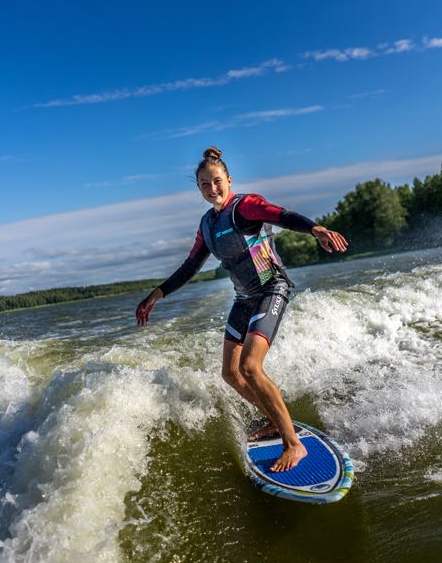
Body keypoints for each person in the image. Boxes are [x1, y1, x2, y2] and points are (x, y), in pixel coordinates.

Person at [135, 147, 348, 472]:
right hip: (243, 297)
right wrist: (157, 294)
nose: (212, 189)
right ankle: (275, 423)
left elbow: (282, 215)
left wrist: (315, 229)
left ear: (229, 179)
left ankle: (294, 445)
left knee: (250, 367)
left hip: (270, 288)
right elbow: (191, 265)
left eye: (217, 181)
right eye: (205, 185)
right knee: (231, 374)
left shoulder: (244, 206)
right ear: (199, 189)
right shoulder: (207, 224)